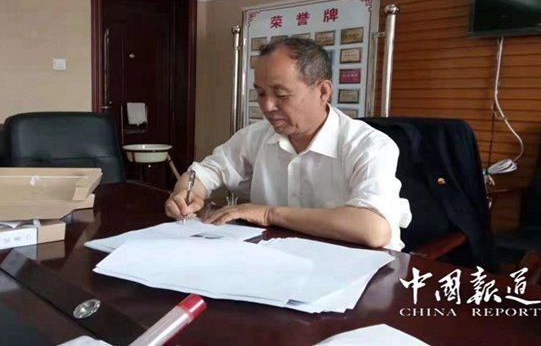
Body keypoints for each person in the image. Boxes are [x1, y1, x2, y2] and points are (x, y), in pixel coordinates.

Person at [164, 37, 411, 250]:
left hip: (360, 269)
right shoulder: (256, 136)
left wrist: (269, 213)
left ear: (323, 92)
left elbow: (373, 229)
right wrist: (186, 194)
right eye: (261, 93)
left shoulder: (369, 145)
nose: (267, 106)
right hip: (280, 258)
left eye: (281, 95)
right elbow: (204, 173)